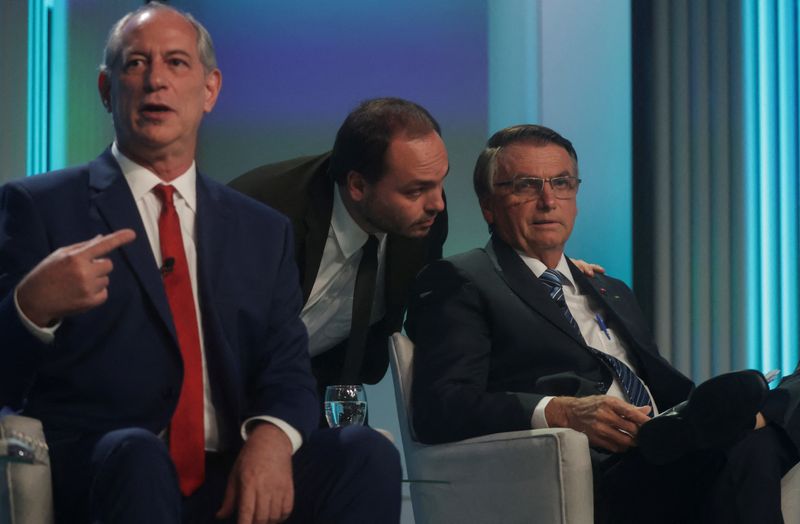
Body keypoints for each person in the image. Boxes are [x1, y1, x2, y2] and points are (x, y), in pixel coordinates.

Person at [0, 3, 400, 523]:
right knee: (137, 453)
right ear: (106, 89)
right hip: (110, 466)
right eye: (135, 63)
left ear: (210, 90)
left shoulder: (260, 229)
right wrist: (30, 307)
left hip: (230, 468)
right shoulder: (43, 206)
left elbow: (286, 366)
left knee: (364, 453)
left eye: (176, 63)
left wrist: (272, 440)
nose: (155, 81)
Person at [405, 124, 800, 523]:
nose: (548, 200)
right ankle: (743, 417)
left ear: (575, 197)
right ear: (488, 205)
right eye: (526, 185)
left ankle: (739, 415)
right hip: (606, 467)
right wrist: (562, 412)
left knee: (762, 428)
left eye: (561, 183)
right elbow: (440, 406)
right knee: (755, 446)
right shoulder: (462, 279)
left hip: (667, 438)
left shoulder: (609, 289)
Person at [228, 98, 448, 400]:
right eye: (416, 190)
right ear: (357, 186)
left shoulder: (424, 218)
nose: (437, 203)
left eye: (439, 182)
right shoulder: (263, 214)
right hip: (227, 388)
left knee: (369, 448)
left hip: (320, 390)